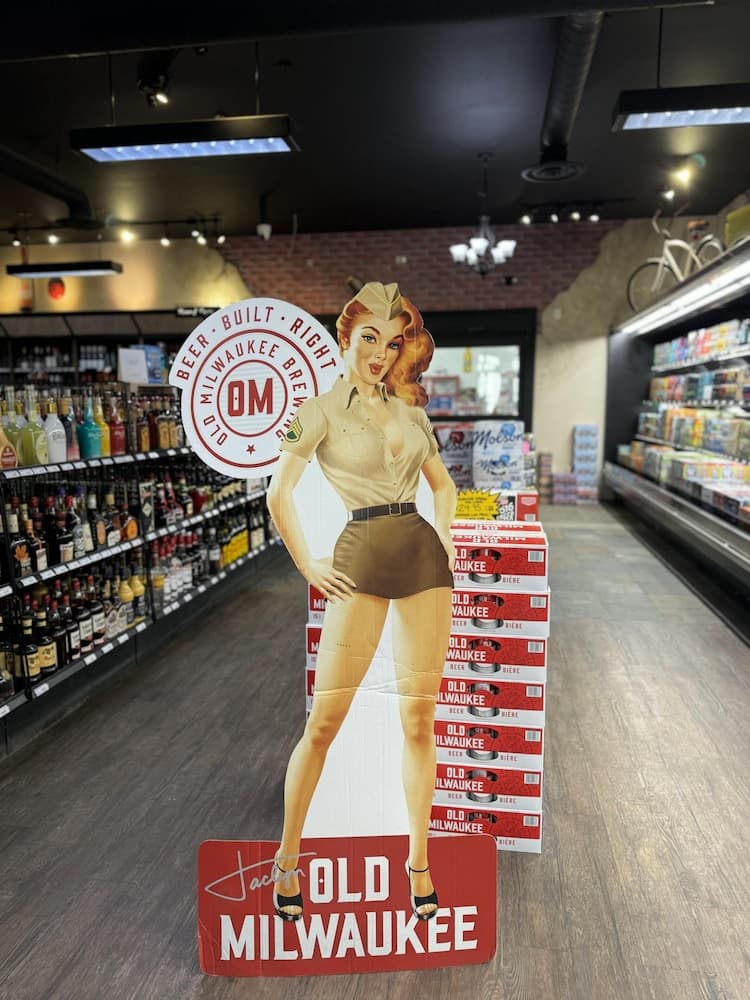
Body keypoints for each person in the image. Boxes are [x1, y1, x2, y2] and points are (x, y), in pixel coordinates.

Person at [266, 281, 456, 922]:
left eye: (393, 342)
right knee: (324, 723)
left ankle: (419, 863)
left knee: (420, 722)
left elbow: (443, 487)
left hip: (423, 558)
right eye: (369, 337)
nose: (380, 353)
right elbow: (278, 492)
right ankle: (287, 860)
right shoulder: (315, 411)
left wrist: (446, 539)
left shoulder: (411, 410)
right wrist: (307, 562)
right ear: (344, 338)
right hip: (359, 557)